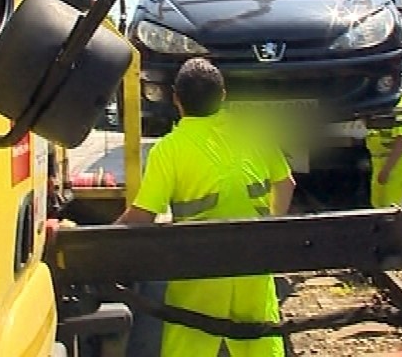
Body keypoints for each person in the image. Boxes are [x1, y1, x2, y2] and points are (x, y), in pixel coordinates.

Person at [115, 57, 294, 357]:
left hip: (197, 269)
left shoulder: (169, 149)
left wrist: (99, 242)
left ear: (176, 99)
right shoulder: (255, 133)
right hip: (253, 263)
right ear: (223, 96)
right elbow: (286, 183)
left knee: (190, 342)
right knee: (259, 341)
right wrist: (269, 232)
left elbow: (142, 216)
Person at [365, 93, 402, 208]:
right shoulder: (384, 105)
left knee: (391, 205)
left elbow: (400, 143)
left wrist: (386, 170)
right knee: (378, 203)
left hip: (394, 163)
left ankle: (392, 226)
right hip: (379, 161)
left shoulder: (400, 108)